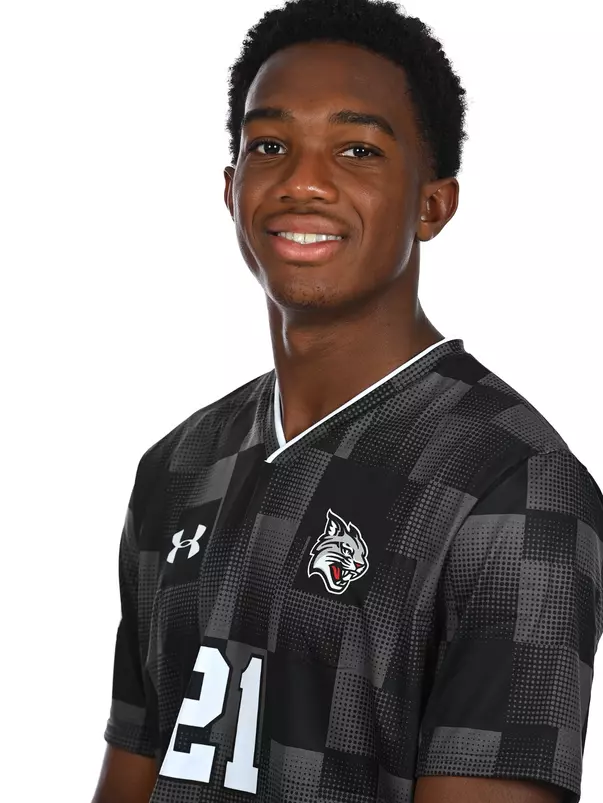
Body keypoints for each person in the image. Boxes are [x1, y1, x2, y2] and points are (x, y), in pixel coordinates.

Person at [92, 1, 603, 801]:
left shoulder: (516, 485)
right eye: (269, 145)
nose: (302, 179)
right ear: (231, 189)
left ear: (432, 203)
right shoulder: (177, 465)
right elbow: (135, 771)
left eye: (357, 149)